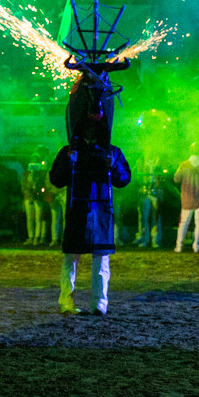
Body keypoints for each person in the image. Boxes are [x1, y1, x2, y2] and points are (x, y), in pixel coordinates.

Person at [49, 71, 133, 316]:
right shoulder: (69, 151)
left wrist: (113, 166)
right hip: (78, 210)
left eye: (94, 125)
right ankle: (66, 302)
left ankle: (99, 304)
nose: (91, 129)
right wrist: (68, 163)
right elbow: (56, 179)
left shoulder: (112, 151)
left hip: (101, 212)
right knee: (71, 261)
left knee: (100, 262)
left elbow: (124, 179)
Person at [174, 145, 199, 253]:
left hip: (187, 197)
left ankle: (179, 246)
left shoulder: (184, 164)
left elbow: (176, 179)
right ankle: (197, 246)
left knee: (184, 222)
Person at [136, 162, 167, 248]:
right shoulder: (141, 163)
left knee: (156, 218)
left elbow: (163, 179)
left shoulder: (159, 163)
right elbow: (137, 178)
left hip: (156, 195)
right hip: (145, 194)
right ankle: (145, 239)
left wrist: (160, 192)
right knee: (144, 218)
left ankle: (155, 240)